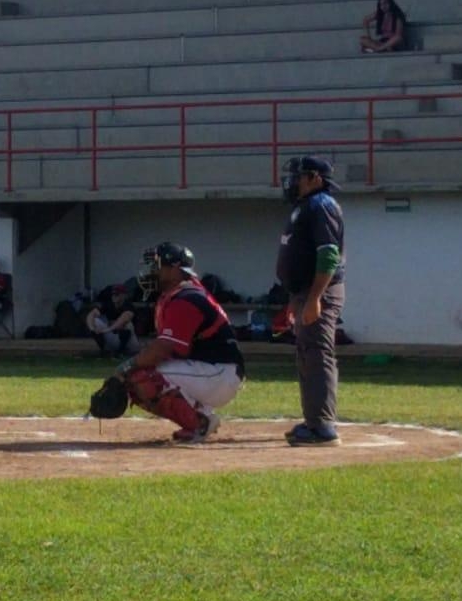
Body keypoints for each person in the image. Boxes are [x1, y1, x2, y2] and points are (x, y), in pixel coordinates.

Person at [115, 242, 245, 445]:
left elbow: (163, 349)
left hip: (219, 372)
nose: (152, 272)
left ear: (175, 269)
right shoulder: (180, 294)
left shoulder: (187, 298)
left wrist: (124, 368)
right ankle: (202, 416)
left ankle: (198, 423)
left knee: (141, 376)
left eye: (157, 265)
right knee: (139, 376)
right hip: (212, 369)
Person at [275, 156, 345, 446]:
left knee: (317, 353)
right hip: (304, 291)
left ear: (315, 178)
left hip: (320, 292)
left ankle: (323, 426)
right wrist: (296, 297)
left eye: (298, 176)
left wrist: (315, 298)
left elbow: (328, 255)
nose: (292, 182)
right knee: (307, 354)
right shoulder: (305, 207)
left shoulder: (321, 206)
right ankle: (313, 420)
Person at [86, 284, 140, 357]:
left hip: (130, 343)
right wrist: (93, 330)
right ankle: (103, 350)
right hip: (113, 336)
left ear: (123, 295)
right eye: (113, 294)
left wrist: (106, 330)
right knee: (95, 321)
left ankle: (121, 352)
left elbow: (122, 320)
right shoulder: (108, 304)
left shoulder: (128, 306)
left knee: (127, 324)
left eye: (117, 294)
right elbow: (91, 314)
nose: (114, 296)